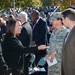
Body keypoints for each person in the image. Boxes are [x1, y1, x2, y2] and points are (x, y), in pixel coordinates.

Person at [31, 10, 48, 75]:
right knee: (35, 61)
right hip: (35, 46)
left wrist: (35, 41)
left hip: (41, 45)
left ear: (37, 15)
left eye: (33, 16)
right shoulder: (33, 22)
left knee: (41, 61)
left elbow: (42, 34)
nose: (32, 17)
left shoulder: (43, 22)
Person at [61, 8, 75, 75]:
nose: (62, 21)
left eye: (62, 19)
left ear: (66, 18)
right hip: (67, 70)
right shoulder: (68, 32)